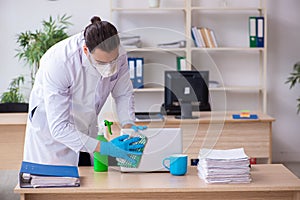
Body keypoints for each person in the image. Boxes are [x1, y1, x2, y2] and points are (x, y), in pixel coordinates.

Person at [23, 16, 144, 166]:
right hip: (51, 137)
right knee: (56, 183)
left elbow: (123, 93)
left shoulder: (119, 53)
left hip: (87, 125)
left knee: (90, 179)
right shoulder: (60, 62)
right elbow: (60, 127)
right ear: (86, 50)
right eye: (101, 62)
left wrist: (128, 125)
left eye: (113, 61)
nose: (110, 68)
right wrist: (107, 148)